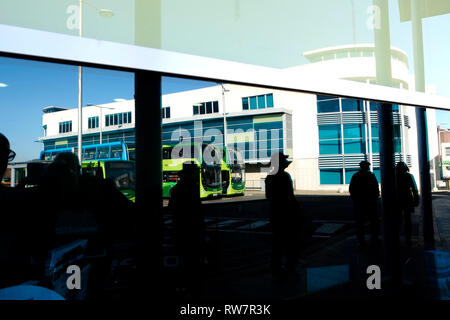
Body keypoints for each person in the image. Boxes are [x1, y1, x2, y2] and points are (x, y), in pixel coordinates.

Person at [169, 161, 205, 297]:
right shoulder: (193, 189)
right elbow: (197, 212)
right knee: (194, 261)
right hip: (193, 231)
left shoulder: (176, 190)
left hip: (180, 230)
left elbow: (172, 209)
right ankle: (194, 288)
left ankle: (184, 287)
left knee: (183, 260)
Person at [265, 152, 303, 278]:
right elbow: (290, 197)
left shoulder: (269, 177)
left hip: (275, 215)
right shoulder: (285, 176)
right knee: (290, 243)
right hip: (288, 215)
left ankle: (277, 268)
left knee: (277, 244)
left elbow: (269, 197)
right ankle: (290, 267)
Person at [349, 161, 380, 247]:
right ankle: (374, 238)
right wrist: (376, 197)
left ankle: (361, 240)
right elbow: (376, 188)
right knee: (373, 221)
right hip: (370, 202)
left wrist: (355, 198)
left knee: (360, 222)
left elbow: (352, 189)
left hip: (360, 202)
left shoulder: (356, 176)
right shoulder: (371, 176)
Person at [395, 162, 419, 246]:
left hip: (397, 200)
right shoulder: (408, 176)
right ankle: (408, 238)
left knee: (397, 220)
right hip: (407, 199)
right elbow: (414, 188)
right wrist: (416, 199)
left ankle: (396, 237)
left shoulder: (394, 176)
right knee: (407, 219)